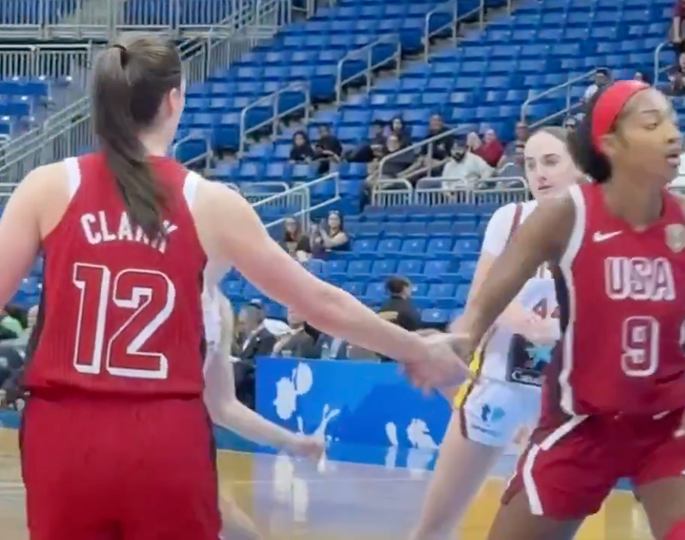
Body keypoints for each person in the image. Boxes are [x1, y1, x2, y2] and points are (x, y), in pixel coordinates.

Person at [0, 35, 468, 540]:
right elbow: (320, 302)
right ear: (175, 99)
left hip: (62, 433)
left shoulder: (45, 186)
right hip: (162, 435)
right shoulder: (211, 203)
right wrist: (415, 348)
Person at [456, 80, 685, 540]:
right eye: (652, 123)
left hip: (667, 425)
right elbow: (493, 291)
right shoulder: (567, 214)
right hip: (580, 422)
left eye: (673, 120)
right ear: (610, 144)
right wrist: (464, 336)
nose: (673, 134)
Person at [410, 127, 581, 540]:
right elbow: (482, 297)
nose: (539, 173)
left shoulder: (599, 231)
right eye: (530, 164)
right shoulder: (511, 218)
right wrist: (531, 324)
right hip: (497, 388)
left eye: (551, 161)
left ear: (580, 166)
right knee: (433, 527)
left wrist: (562, 330)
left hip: (564, 405)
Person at [201, 281, 324, 539]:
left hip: (177, 439)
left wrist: (290, 441)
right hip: (124, 433)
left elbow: (222, 404)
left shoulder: (218, 306)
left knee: (222, 513)